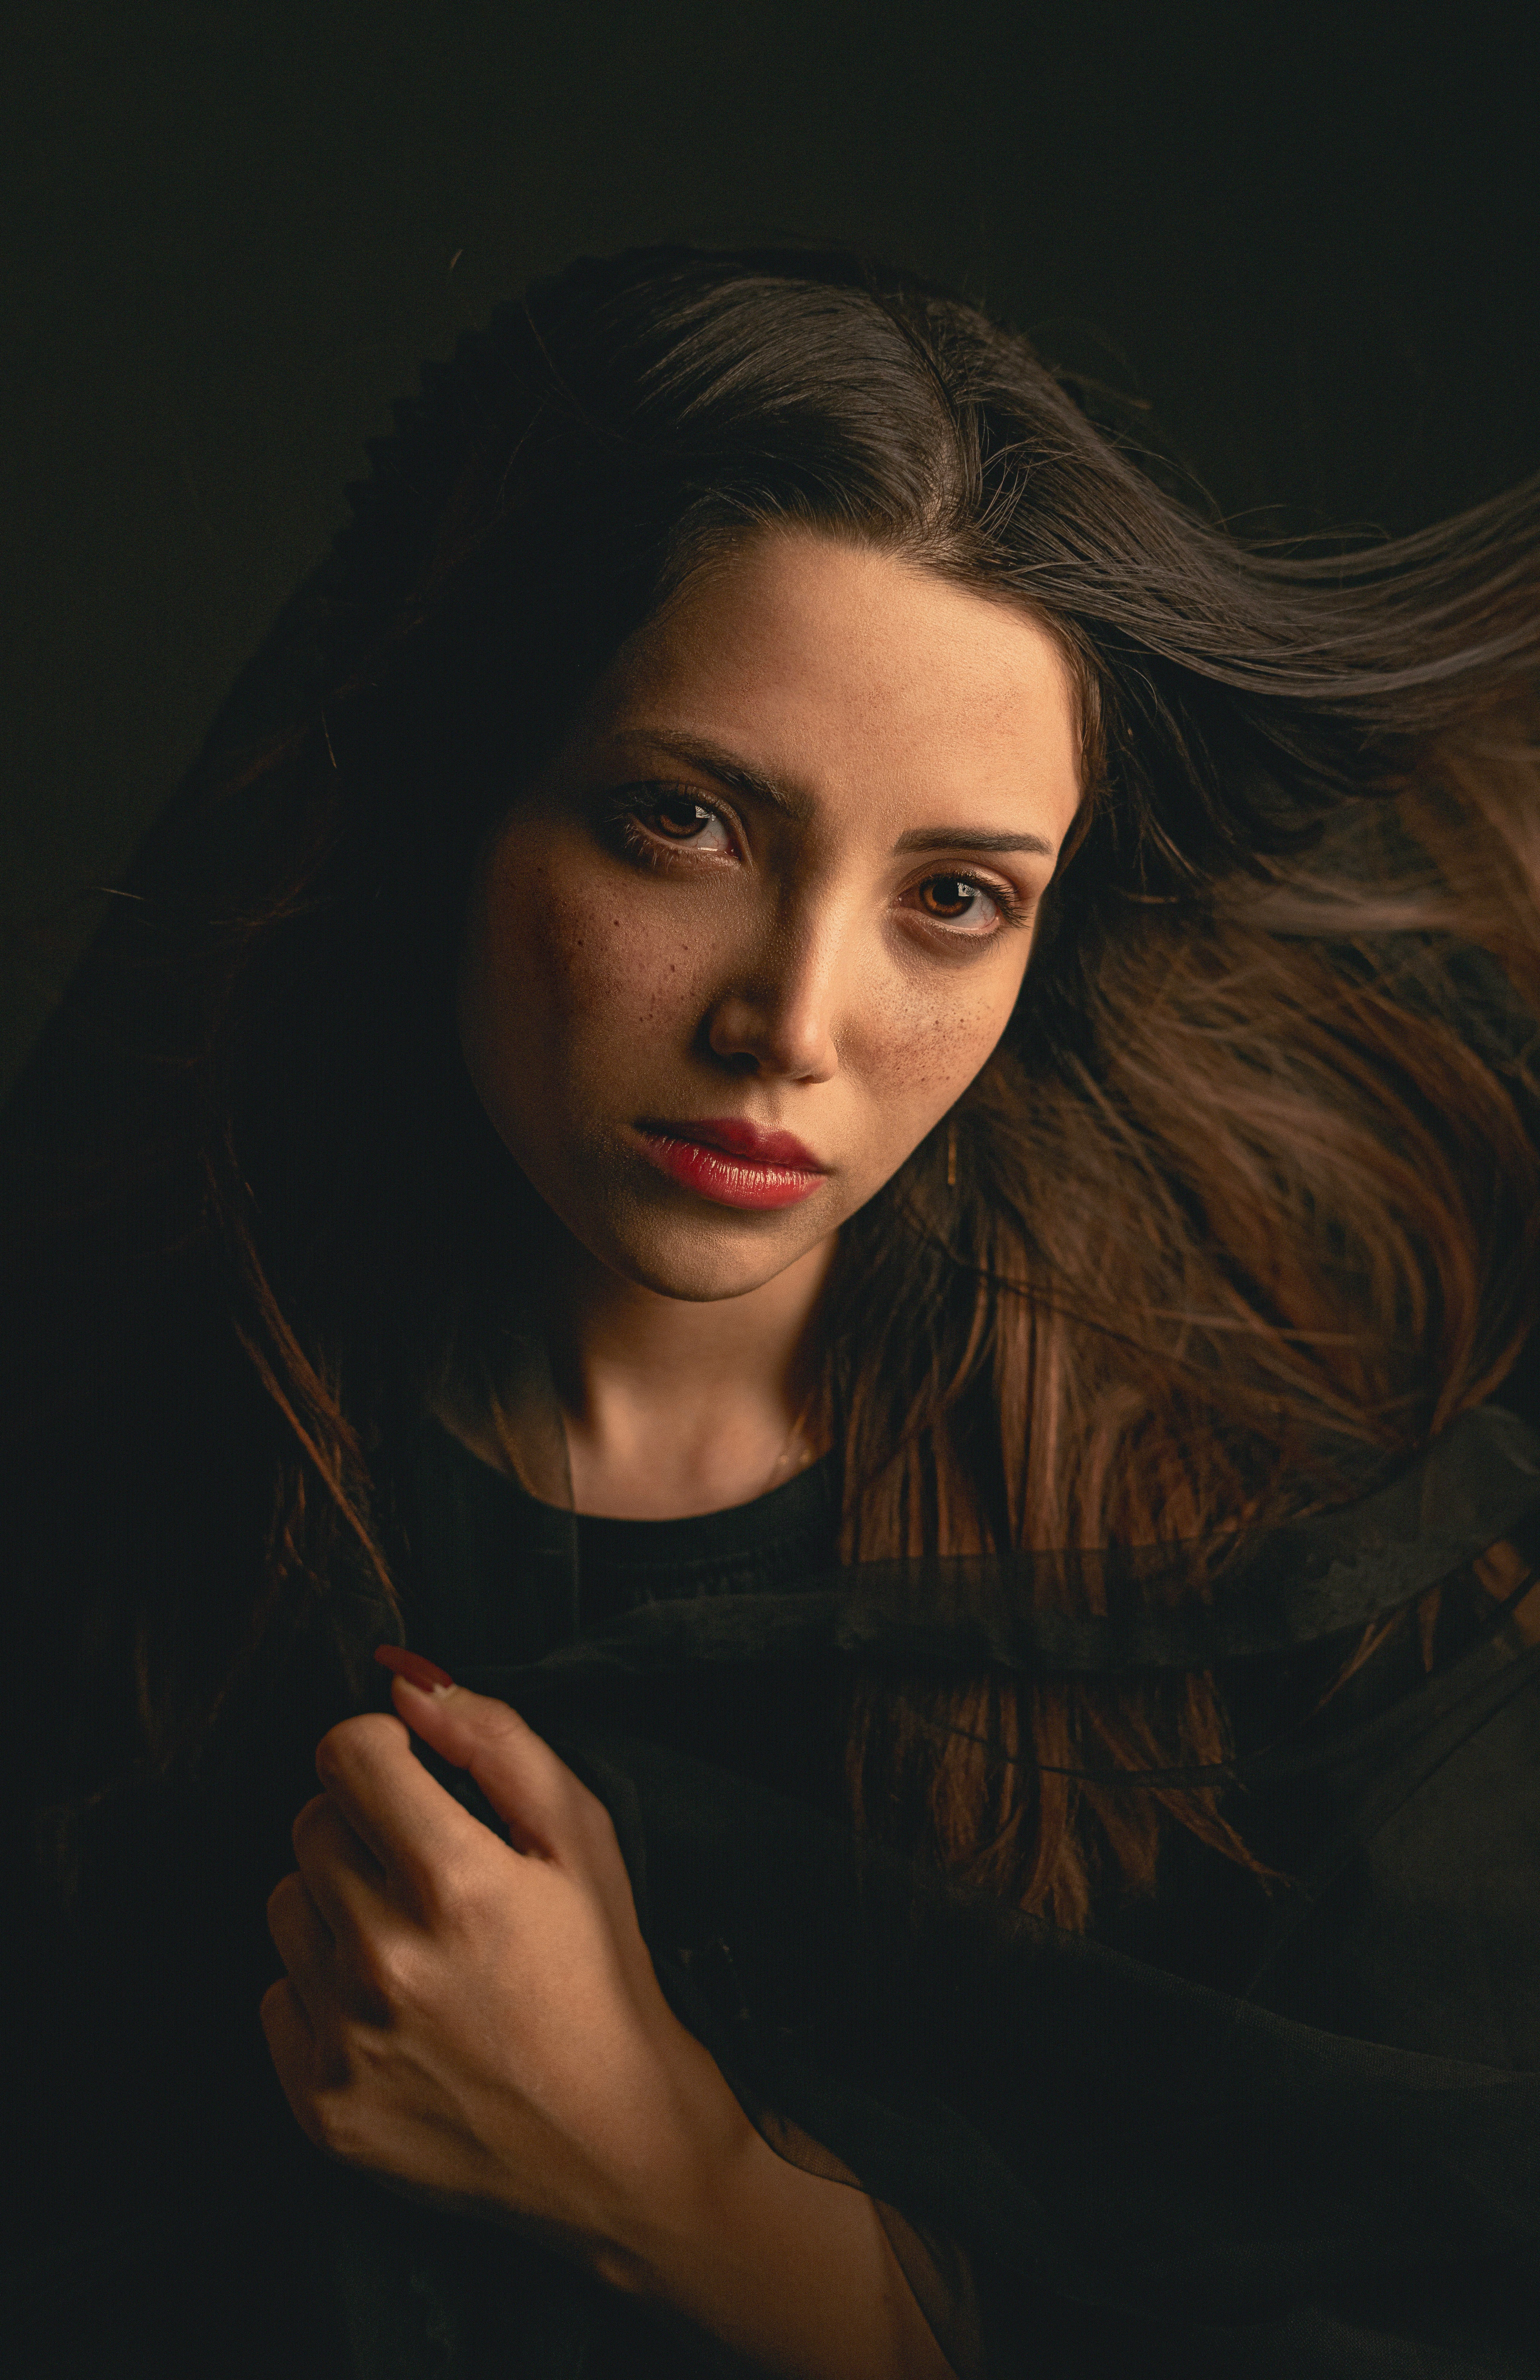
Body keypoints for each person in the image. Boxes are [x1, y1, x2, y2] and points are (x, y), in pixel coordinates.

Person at [7, 245, 1540, 2380]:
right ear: (457, 789)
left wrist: (685, 2197)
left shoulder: (1267, 1575)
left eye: (955, 900)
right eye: (687, 822)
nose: (793, 1025)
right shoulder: (108, 1466)